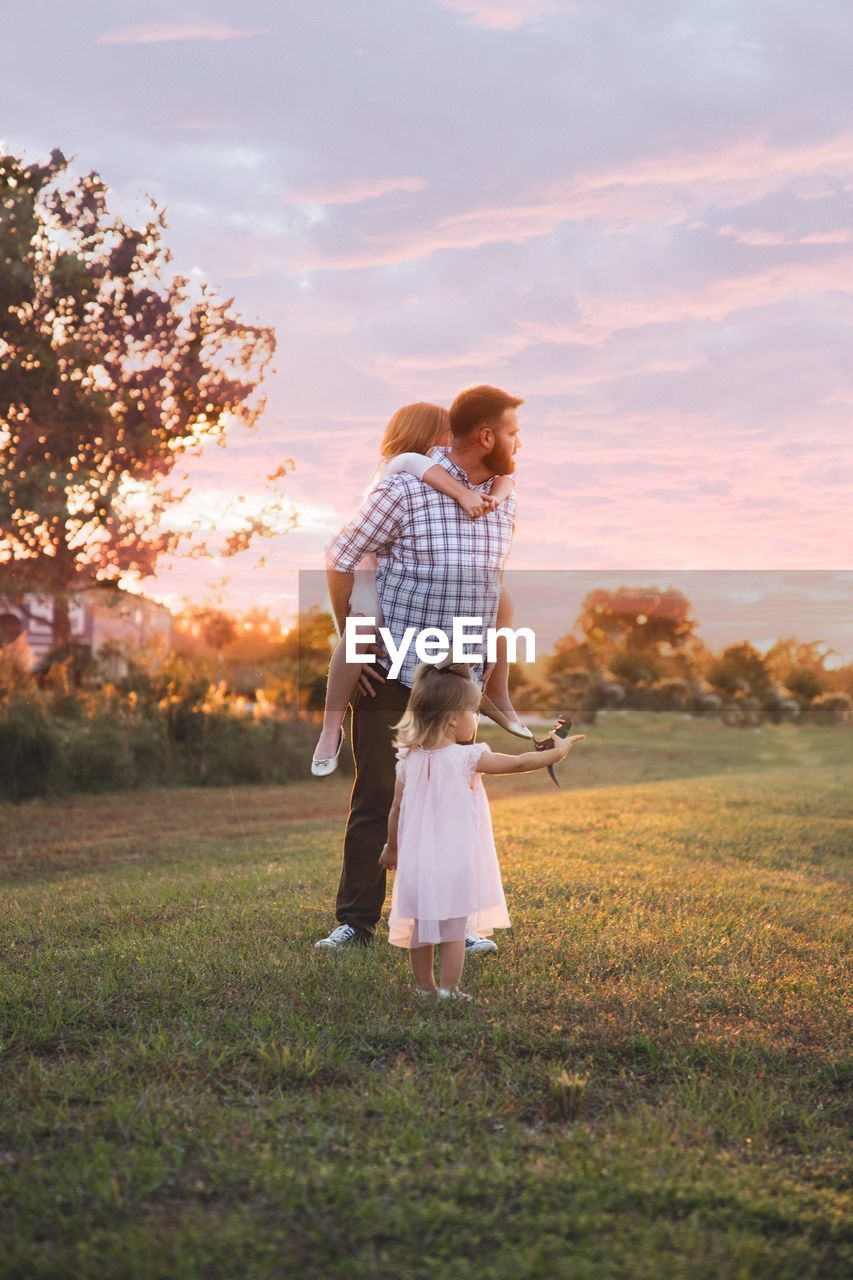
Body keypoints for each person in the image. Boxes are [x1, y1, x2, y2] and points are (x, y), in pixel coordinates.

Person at [316, 384, 527, 954]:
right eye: (511, 432)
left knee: (453, 798)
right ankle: (355, 924)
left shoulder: (506, 498)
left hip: (457, 680)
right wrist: (355, 640)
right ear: (486, 437)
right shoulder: (404, 486)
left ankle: (456, 926)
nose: (518, 443)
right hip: (391, 672)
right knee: (379, 795)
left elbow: (491, 582)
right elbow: (340, 555)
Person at [311, 402, 522, 777]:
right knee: (359, 628)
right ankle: (330, 730)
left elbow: (506, 480)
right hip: (371, 580)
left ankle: (497, 694)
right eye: (445, 433)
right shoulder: (404, 467)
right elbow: (340, 554)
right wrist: (463, 494)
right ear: (427, 438)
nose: (449, 442)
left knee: (503, 599)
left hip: (451, 669)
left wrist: (495, 495)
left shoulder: (467, 481)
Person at [378, 662, 585, 999]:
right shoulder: (468, 757)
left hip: (417, 860)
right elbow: (518, 763)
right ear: (453, 718)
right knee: (454, 927)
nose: (476, 719)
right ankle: (449, 988)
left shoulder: (408, 760)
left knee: (419, 924)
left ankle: (424, 988)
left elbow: (396, 809)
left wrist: (391, 848)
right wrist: (559, 751)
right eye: (474, 712)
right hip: (455, 859)